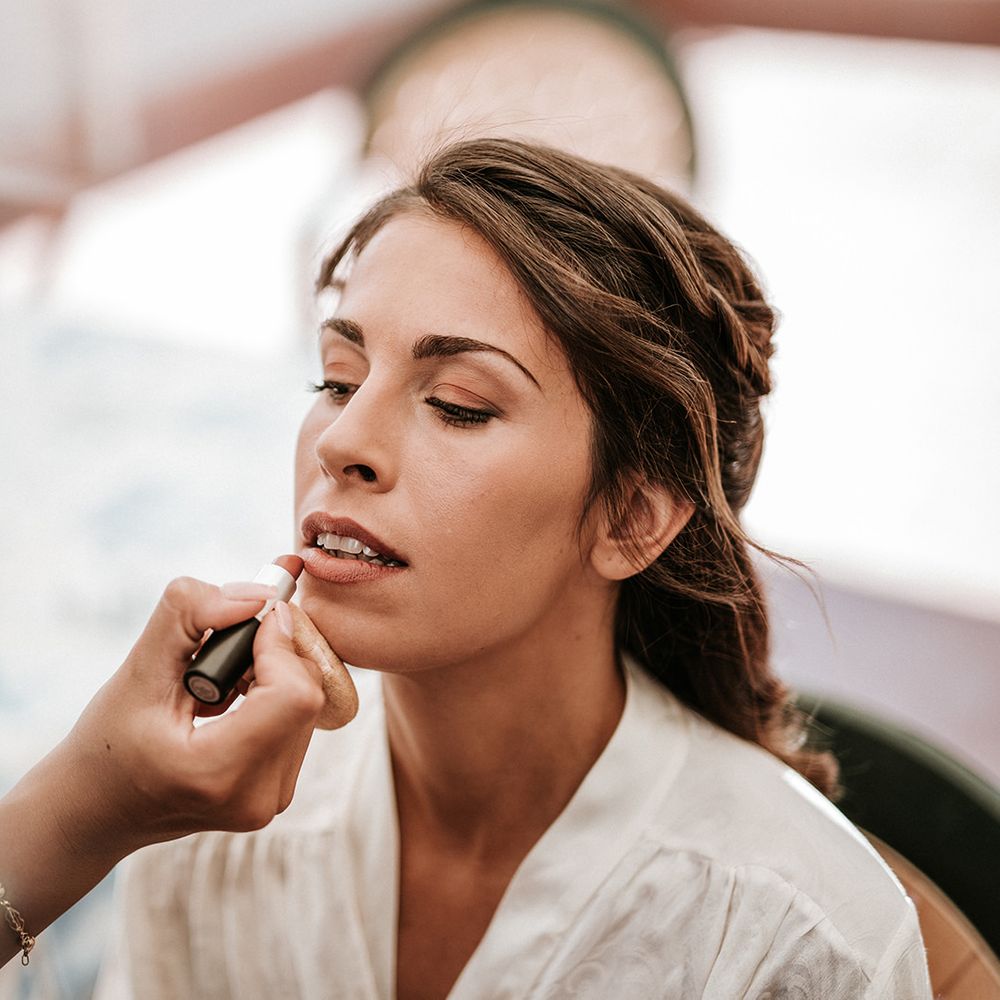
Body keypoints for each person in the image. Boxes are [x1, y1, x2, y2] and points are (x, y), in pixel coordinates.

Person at [5, 138, 930, 998]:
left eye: (457, 404)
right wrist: (84, 812)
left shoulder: (793, 940)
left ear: (633, 517)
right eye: (337, 379)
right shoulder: (202, 822)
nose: (345, 442)